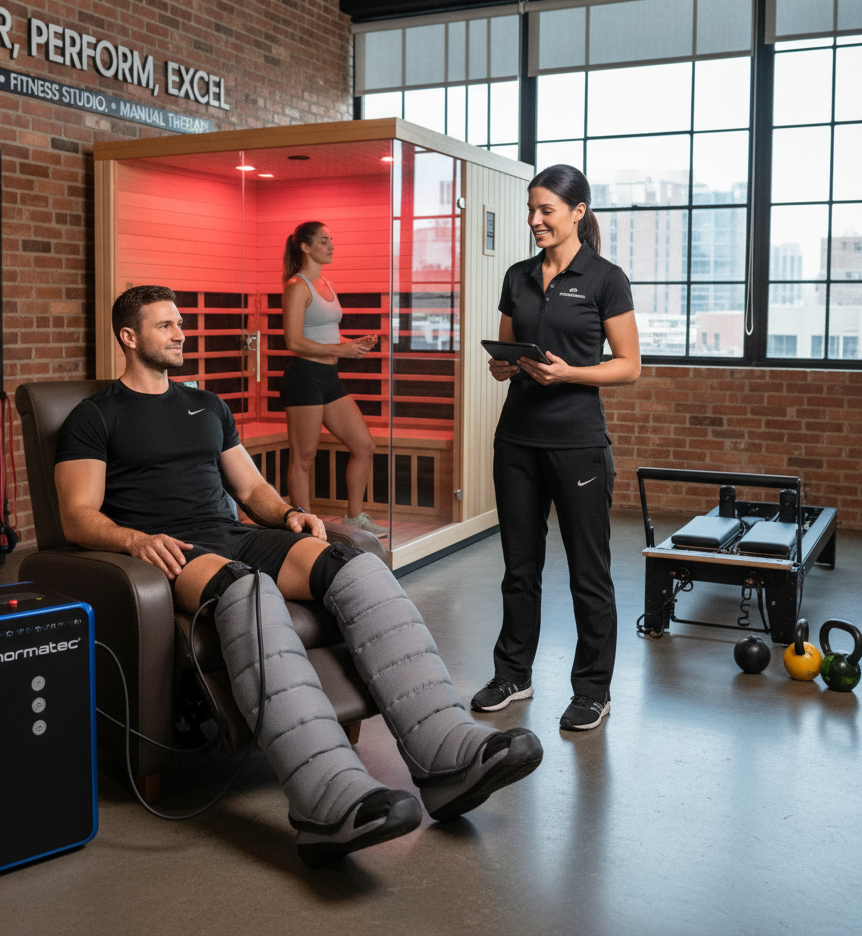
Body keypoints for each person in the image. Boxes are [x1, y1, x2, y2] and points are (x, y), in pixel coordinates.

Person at [55, 285, 544, 866]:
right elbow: (77, 515)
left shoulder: (206, 405)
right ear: (129, 337)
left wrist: (290, 514)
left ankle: (447, 754)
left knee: (352, 566)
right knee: (245, 590)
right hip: (168, 550)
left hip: (232, 533)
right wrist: (135, 539)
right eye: (165, 326)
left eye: (180, 322)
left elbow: (251, 489)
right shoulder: (96, 417)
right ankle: (325, 800)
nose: (181, 332)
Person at [471, 165, 641, 732]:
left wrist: (571, 373)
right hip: (516, 439)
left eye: (546, 210)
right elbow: (508, 351)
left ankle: (593, 689)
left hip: (577, 444)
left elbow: (629, 366)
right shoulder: (518, 276)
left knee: (588, 572)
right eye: (531, 209)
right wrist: (501, 364)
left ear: (577, 212)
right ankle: (513, 673)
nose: (534, 220)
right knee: (519, 568)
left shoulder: (605, 278)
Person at [279, 221, 387, 537]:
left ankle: (354, 517)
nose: (331, 246)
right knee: (304, 455)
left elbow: (325, 331)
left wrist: (354, 342)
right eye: (324, 240)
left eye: (331, 240)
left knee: (364, 444)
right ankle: (302, 524)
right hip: (304, 377)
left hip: (328, 376)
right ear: (305, 247)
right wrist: (342, 348)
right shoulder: (296, 287)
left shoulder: (326, 283)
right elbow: (294, 342)